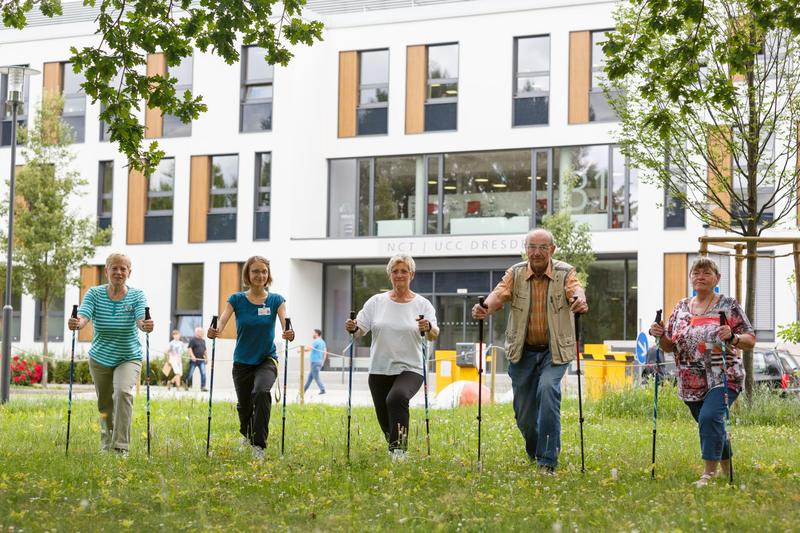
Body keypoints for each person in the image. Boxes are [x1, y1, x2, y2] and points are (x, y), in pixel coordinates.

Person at [471, 229, 588, 475]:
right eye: (532, 247)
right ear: (526, 249)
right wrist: (484, 308)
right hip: (522, 352)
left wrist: (579, 300)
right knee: (524, 414)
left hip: (554, 352)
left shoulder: (565, 272)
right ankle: (536, 451)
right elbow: (499, 294)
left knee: (547, 390)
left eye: (542, 247)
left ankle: (547, 460)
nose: (536, 252)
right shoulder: (515, 273)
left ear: (552, 250)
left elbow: (576, 290)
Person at [649, 257, 755, 487]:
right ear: (690, 279)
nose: (700, 277)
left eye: (706, 273)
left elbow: (750, 339)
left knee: (709, 418)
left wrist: (734, 337)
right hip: (690, 380)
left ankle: (708, 474)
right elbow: (669, 345)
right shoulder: (681, 307)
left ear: (717, 278)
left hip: (724, 376)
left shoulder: (728, 305)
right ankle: (728, 471)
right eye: (696, 273)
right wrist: (659, 335)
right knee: (711, 423)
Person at [345, 254, 438, 460]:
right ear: (389, 275)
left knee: (396, 398)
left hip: (411, 367)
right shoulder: (376, 302)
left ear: (411, 274)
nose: (399, 275)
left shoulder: (422, 304)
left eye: (404, 271)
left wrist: (428, 327)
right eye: (395, 271)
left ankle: (398, 453)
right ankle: (394, 443)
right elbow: (359, 330)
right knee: (384, 416)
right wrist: (352, 327)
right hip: (380, 368)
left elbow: (433, 334)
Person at [208, 255, 294, 460]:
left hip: (267, 359)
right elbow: (221, 322)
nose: (260, 275)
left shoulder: (276, 300)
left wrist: (289, 333)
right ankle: (246, 434)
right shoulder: (236, 299)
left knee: (261, 393)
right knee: (244, 405)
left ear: (268, 275)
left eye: (264, 271)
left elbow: (286, 326)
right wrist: (215, 330)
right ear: (248, 274)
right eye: (255, 271)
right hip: (242, 361)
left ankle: (259, 446)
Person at [68, 252, 154, 455]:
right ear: (106, 271)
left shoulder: (137, 295)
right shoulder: (94, 294)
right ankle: (106, 444)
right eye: (114, 268)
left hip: (128, 356)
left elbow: (142, 319)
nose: (118, 272)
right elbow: (83, 317)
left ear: (129, 273)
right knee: (105, 403)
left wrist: (146, 325)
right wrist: (77, 323)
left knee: (123, 392)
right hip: (100, 358)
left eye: (123, 268)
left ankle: (120, 447)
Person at [303, 329, 327, 395]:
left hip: (315, 362)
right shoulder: (322, 342)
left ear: (316, 334)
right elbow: (325, 353)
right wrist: (322, 362)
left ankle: (322, 389)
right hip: (318, 362)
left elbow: (309, 349)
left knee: (316, 377)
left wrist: (301, 350)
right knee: (310, 378)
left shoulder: (316, 341)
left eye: (313, 333)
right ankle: (303, 391)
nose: (312, 334)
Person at [186, 326, 208, 391]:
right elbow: (189, 348)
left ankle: (203, 387)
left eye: (202, 332)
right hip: (194, 360)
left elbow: (205, 350)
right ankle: (186, 385)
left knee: (203, 373)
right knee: (190, 373)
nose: (202, 333)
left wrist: (206, 358)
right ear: (197, 332)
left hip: (201, 360)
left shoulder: (203, 341)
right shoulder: (193, 340)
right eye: (201, 332)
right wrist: (192, 356)